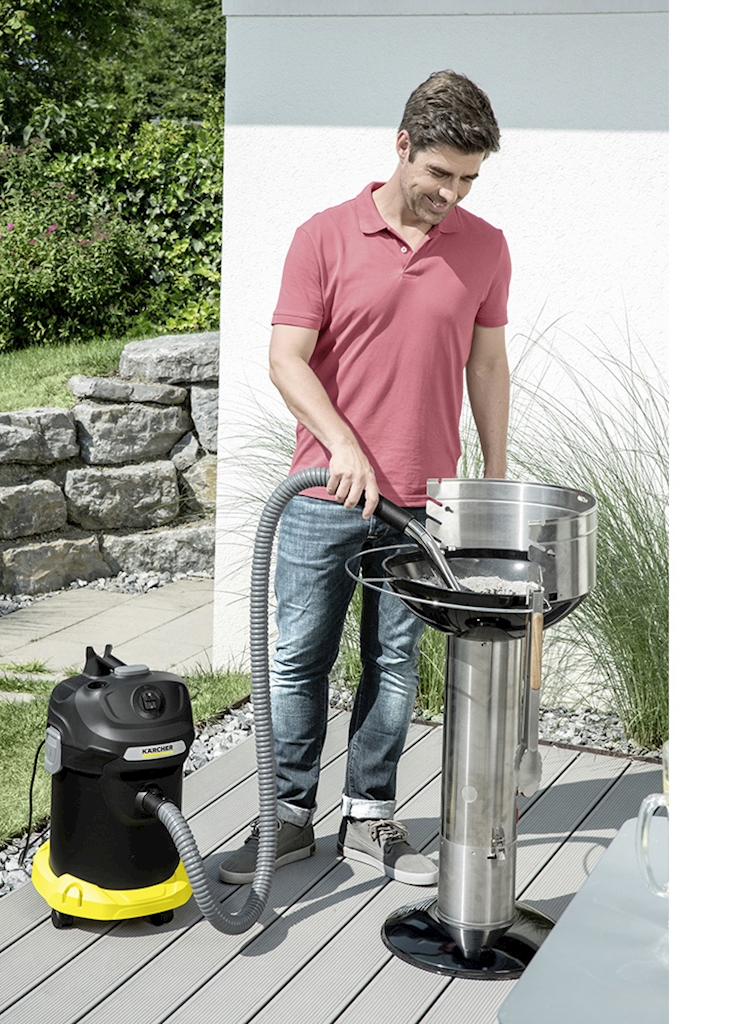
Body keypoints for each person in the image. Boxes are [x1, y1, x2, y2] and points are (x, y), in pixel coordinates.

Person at [219, 70, 511, 887]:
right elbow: (287, 359)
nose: (451, 194)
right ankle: (286, 817)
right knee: (297, 659)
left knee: (394, 663)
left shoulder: (486, 246)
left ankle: (370, 816)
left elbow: (488, 364)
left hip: (424, 500)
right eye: (439, 173)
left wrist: (492, 474)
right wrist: (342, 444)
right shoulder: (323, 236)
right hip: (322, 493)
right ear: (402, 145)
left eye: (468, 179)